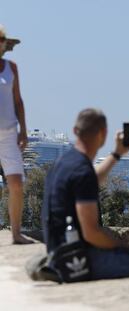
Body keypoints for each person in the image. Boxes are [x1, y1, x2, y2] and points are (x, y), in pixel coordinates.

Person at [41, 108, 129, 290]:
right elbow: (91, 233)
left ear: (75, 131)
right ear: (103, 134)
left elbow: (91, 180)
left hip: (56, 250)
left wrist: (117, 153)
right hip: (78, 258)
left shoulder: (63, 163)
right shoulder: (82, 170)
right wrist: (122, 247)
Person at [0, 24, 32, 244]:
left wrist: (24, 130)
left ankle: (16, 234)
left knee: (17, 184)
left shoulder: (12, 68)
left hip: (9, 133)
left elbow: (18, 101)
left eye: (1, 38)